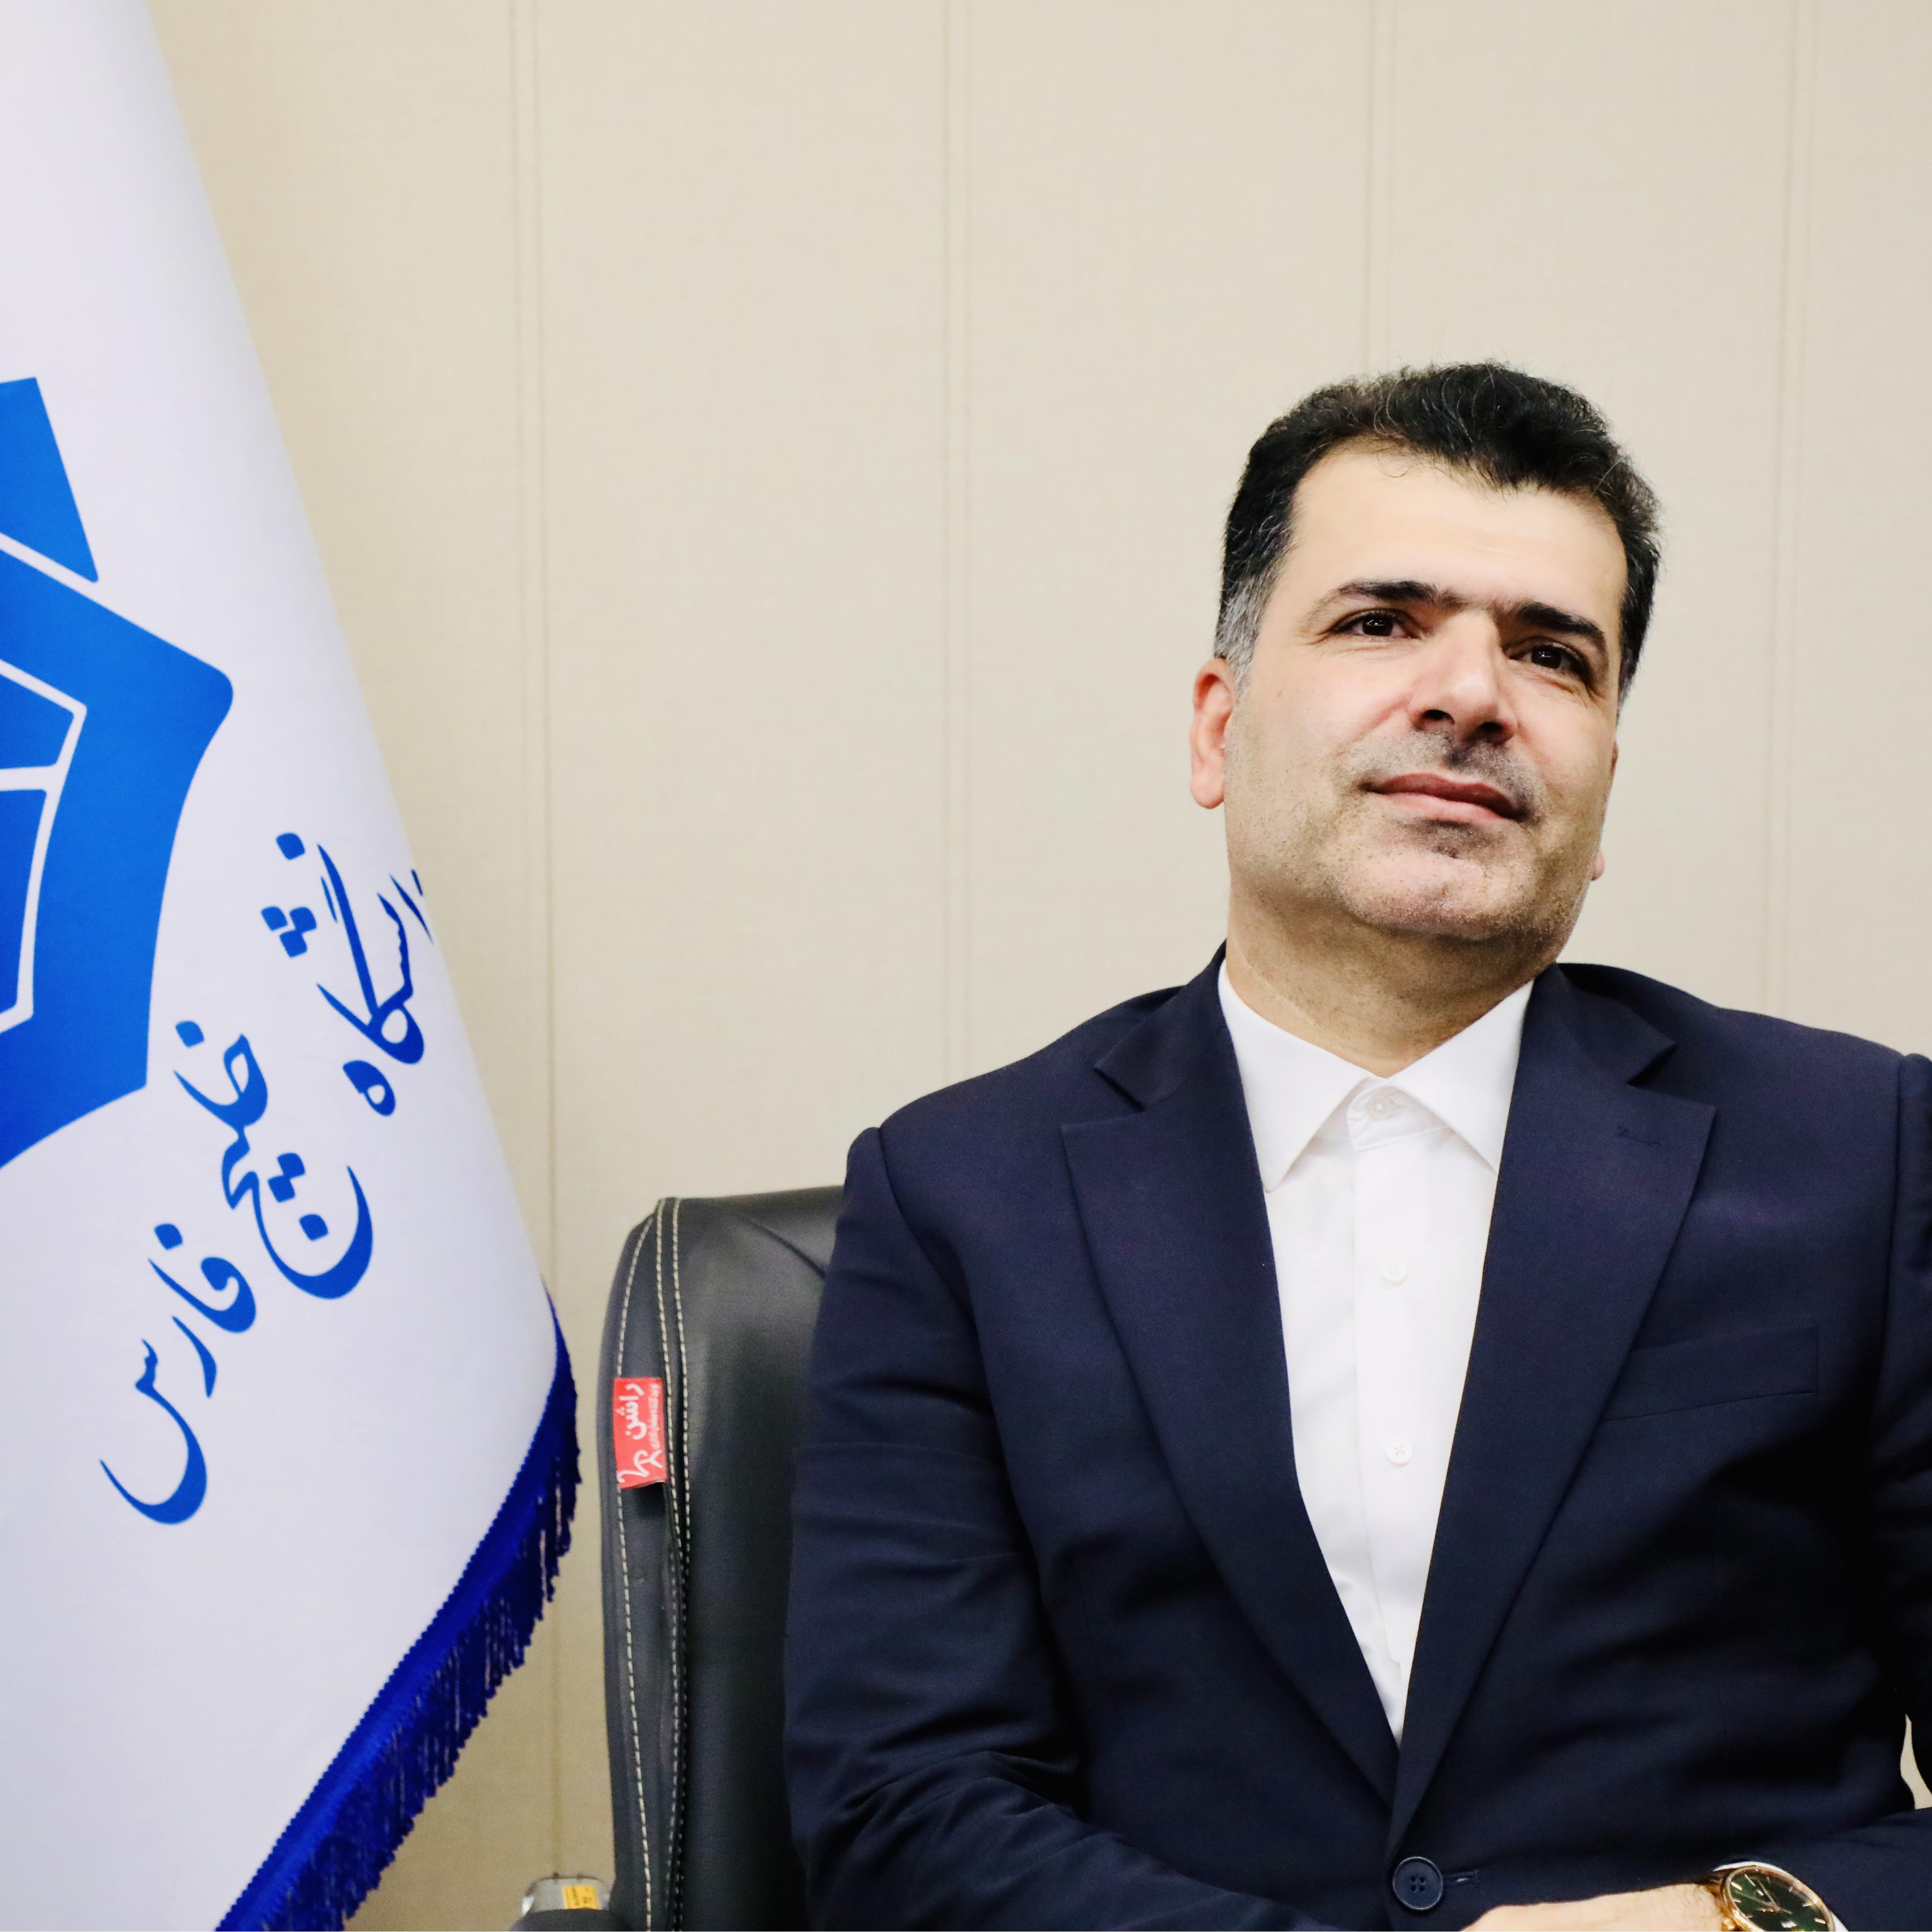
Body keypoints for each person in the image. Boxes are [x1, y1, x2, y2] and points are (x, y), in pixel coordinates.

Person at [783, 363, 1932, 1930]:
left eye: (1552, 654)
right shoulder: (959, 1194)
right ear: (1216, 725)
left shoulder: (1861, 1154)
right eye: (1382, 622)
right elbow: (903, 1805)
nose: (1471, 694)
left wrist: (1729, 1922)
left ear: (1603, 783)